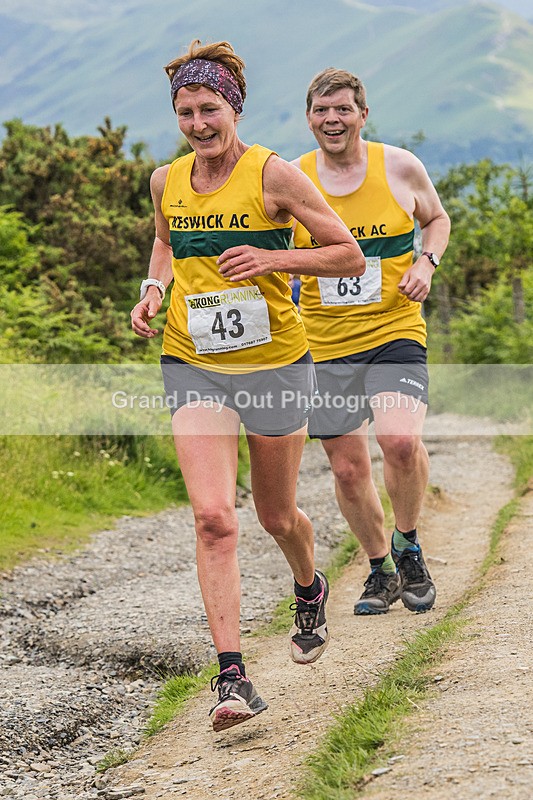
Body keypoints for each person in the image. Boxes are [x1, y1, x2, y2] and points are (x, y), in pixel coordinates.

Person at [130, 42, 365, 732]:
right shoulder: (165, 179)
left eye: (208, 109)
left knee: (274, 515)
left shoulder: (274, 175)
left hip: (272, 362)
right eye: (185, 112)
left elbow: (346, 251)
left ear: (232, 107)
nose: (198, 123)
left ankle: (308, 583)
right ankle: (232, 676)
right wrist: (152, 289)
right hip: (192, 358)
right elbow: (169, 243)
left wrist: (272, 255)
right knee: (213, 517)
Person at [292, 68, 450, 617]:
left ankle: (408, 547)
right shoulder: (292, 179)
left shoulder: (399, 166)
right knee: (346, 469)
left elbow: (436, 220)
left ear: (363, 114)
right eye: (321, 111)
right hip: (323, 342)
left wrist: (426, 266)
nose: (332, 120)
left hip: (393, 330)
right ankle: (378, 566)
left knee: (400, 441)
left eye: (343, 110)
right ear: (309, 117)